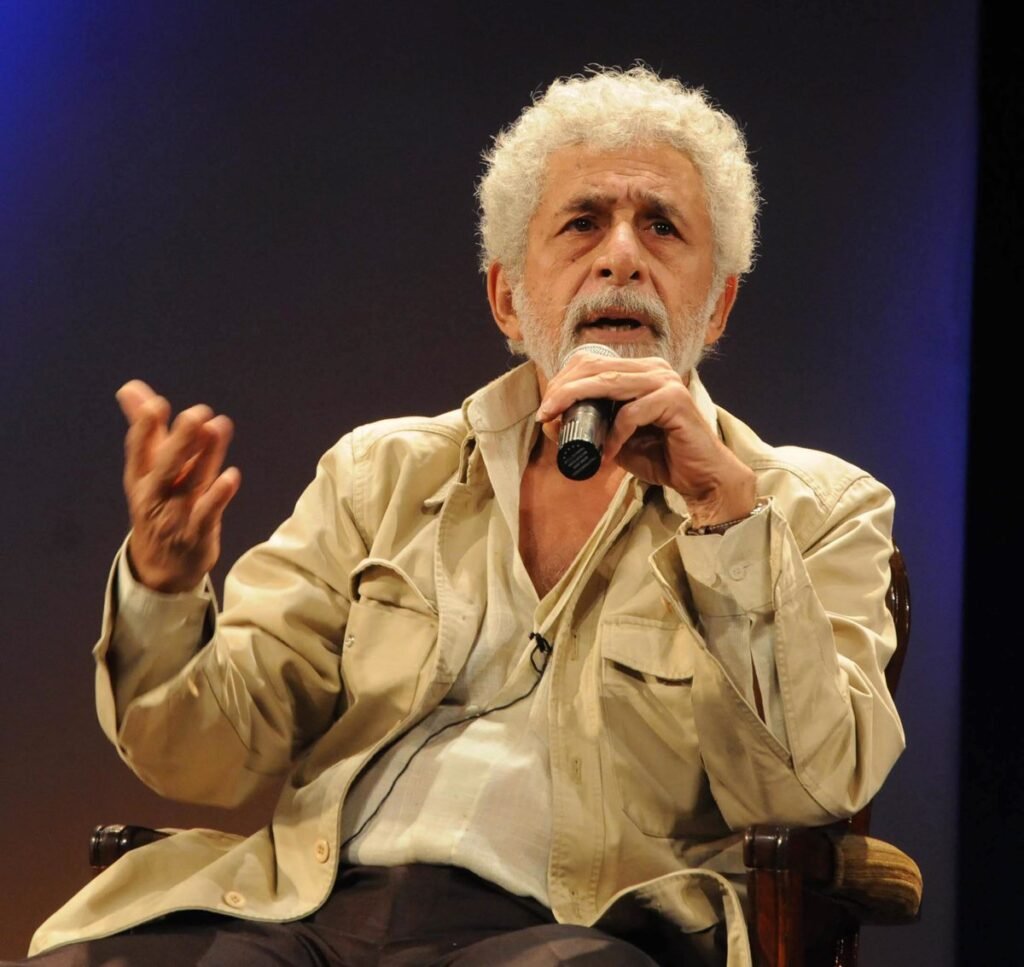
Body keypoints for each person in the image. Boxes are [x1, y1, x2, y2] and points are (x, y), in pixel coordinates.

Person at [21, 67, 904, 966]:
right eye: (583, 222)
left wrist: (723, 516)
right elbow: (203, 754)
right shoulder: (381, 474)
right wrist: (164, 588)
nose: (622, 256)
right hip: (316, 913)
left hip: (575, 932)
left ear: (717, 303)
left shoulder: (816, 509)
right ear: (508, 297)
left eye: (662, 226)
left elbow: (806, 791)